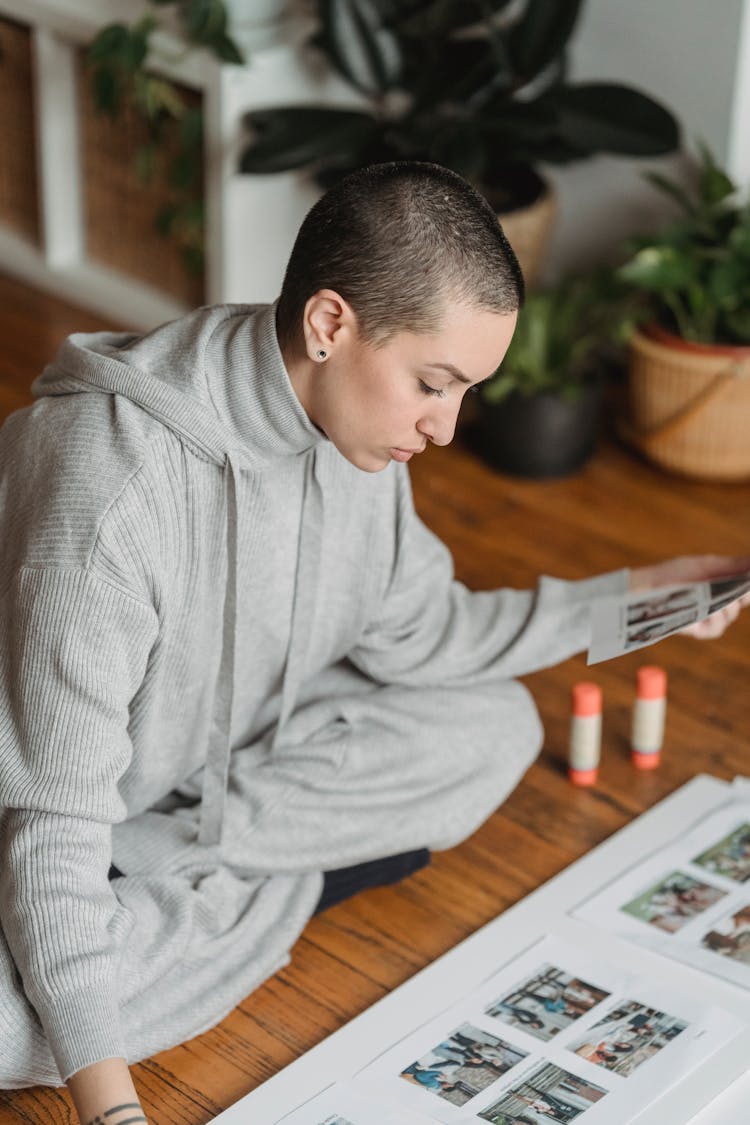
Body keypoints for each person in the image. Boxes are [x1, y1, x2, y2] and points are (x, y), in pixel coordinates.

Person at [0, 161, 747, 1125]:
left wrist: (632, 600)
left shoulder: (355, 430)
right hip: (43, 806)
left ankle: (166, 887)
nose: (444, 428)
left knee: (494, 726)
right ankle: (215, 902)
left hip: (182, 792)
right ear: (328, 324)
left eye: (465, 391)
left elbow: (426, 636)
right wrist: (112, 1111)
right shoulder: (112, 493)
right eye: (435, 385)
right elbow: (51, 816)